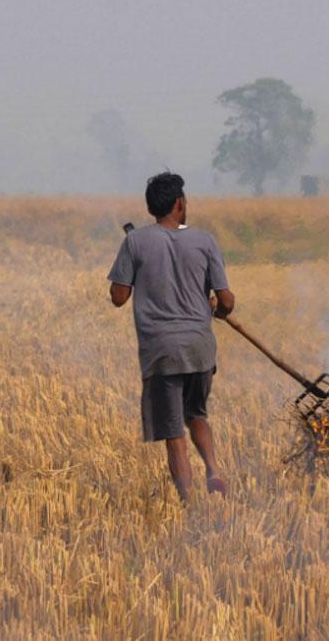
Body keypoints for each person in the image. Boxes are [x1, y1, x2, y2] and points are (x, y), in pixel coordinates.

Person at [108, 172, 235, 501]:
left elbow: (118, 297)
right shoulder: (205, 241)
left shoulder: (135, 242)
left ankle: (188, 502)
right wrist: (215, 308)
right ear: (179, 204)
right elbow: (227, 302)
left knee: (174, 431)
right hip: (200, 347)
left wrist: (137, 274)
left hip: (162, 350)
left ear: (153, 207)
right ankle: (213, 469)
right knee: (197, 415)